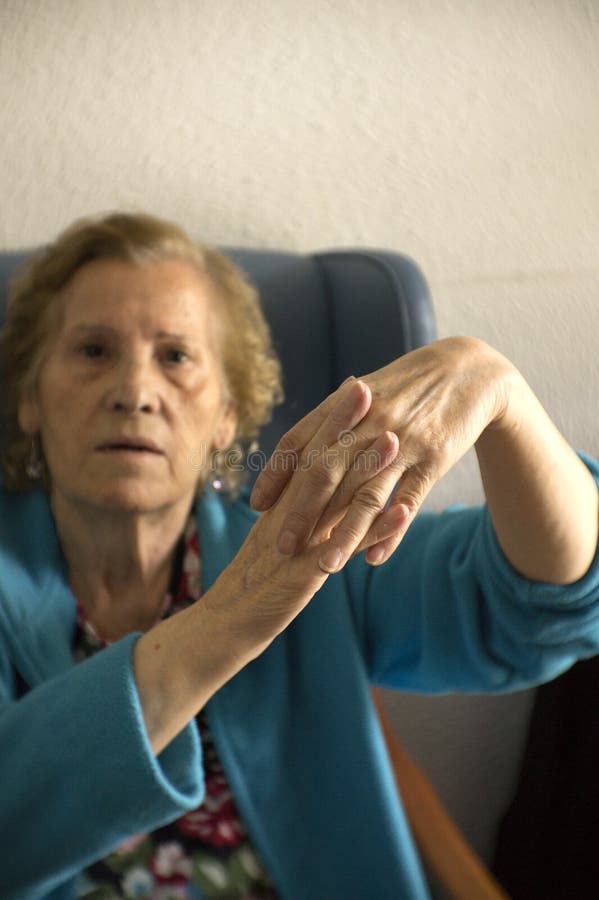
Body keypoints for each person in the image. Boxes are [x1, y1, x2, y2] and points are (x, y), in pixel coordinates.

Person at [0, 212, 597, 900]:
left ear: (227, 413)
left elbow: (546, 609)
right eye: (93, 351)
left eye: (176, 357)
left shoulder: (302, 537)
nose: (134, 393)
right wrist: (220, 626)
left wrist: (502, 394)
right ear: (29, 400)